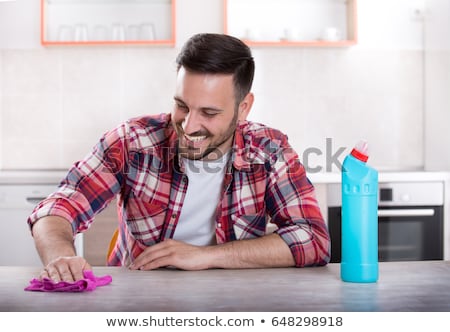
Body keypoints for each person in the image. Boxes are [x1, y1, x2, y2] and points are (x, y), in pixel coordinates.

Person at [28, 33, 330, 282]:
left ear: (244, 108)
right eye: (182, 105)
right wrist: (60, 255)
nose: (189, 126)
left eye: (209, 113)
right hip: (138, 296)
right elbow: (59, 205)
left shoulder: (270, 148)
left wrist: (205, 256)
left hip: (236, 299)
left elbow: (313, 239)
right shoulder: (132, 141)